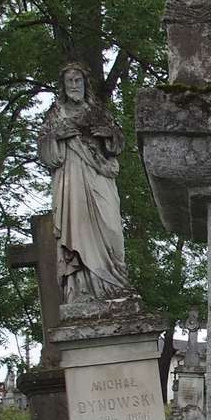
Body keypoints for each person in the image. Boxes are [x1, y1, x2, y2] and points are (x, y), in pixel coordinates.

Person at [38, 63, 129, 303]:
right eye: (70, 81)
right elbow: (47, 154)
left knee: (112, 229)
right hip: (72, 179)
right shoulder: (56, 115)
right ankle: (82, 288)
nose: (74, 85)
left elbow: (118, 143)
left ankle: (116, 283)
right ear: (63, 86)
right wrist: (56, 137)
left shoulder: (99, 112)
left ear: (85, 83)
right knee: (76, 227)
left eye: (78, 80)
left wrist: (108, 135)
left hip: (100, 175)